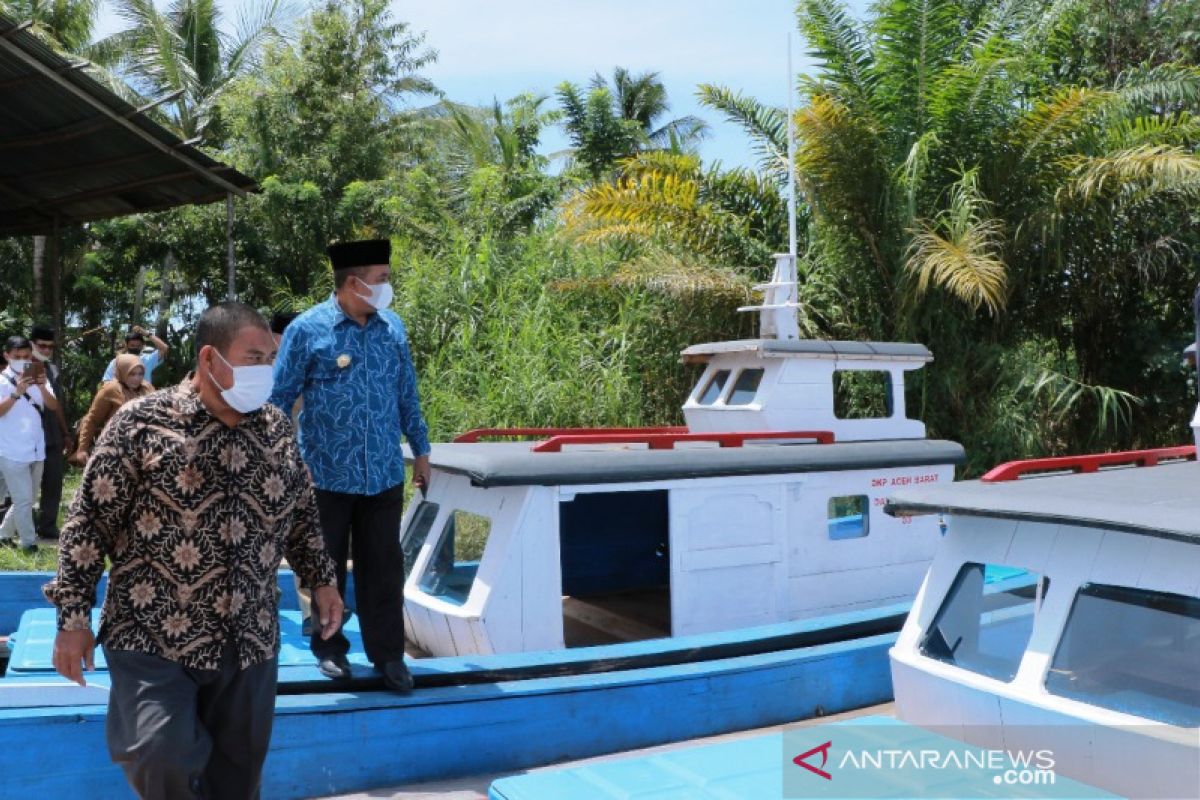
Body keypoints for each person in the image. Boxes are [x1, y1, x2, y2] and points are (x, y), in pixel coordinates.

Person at [45, 302, 343, 800]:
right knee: (157, 753)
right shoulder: (141, 424)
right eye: (254, 358)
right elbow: (87, 525)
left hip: (249, 639)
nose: (267, 370)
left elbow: (303, 515)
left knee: (237, 778)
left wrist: (323, 579)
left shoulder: (275, 431)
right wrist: (72, 620)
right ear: (210, 359)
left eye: (272, 357)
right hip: (153, 635)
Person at [270, 238, 431, 693]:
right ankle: (330, 649)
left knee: (384, 569)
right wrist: (282, 462)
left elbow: (407, 396)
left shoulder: (392, 329)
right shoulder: (307, 330)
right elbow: (279, 401)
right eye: (381, 279)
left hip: (381, 473)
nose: (387, 286)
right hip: (322, 476)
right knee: (325, 568)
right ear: (354, 282)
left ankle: (389, 656)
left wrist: (421, 451)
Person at [270, 310, 315, 637]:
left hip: (304, 470)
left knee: (309, 541)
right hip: (265, 471)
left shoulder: (311, 364)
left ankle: (314, 617)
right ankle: (264, 607)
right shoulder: (257, 368)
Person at [0, 336, 60, 553]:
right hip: (11, 450)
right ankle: (29, 543)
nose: (22, 361)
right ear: (7, 356)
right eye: (17, 357)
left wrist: (43, 387)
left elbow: (52, 405)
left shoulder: (37, 377)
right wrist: (16, 394)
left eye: (26, 357)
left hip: (36, 448)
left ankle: (4, 534)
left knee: (27, 498)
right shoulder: (1, 381)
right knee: (24, 500)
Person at [69, 354, 154, 466]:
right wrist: (82, 449)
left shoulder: (147, 388)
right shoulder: (110, 389)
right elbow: (92, 419)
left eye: (140, 374)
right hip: (115, 449)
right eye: (132, 374)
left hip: (143, 448)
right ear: (123, 372)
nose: (137, 378)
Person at [29, 325, 72, 539]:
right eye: (41, 346)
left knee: (53, 483)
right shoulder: (18, 369)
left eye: (49, 347)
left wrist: (65, 433)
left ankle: (48, 526)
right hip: (25, 436)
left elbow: (57, 406)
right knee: (21, 486)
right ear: (31, 345)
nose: (46, 350)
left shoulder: (51, 370)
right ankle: (15, 527)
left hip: (52, 435)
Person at [101, 326, 168, 384]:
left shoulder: (147, 360)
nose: (135, 348)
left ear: (142, 346)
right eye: (132, 345)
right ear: (127, 346)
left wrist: (146, 333)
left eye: (138, 346)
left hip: (144, 397)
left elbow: (164, 348)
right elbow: (106, 381)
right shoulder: (116, 362)